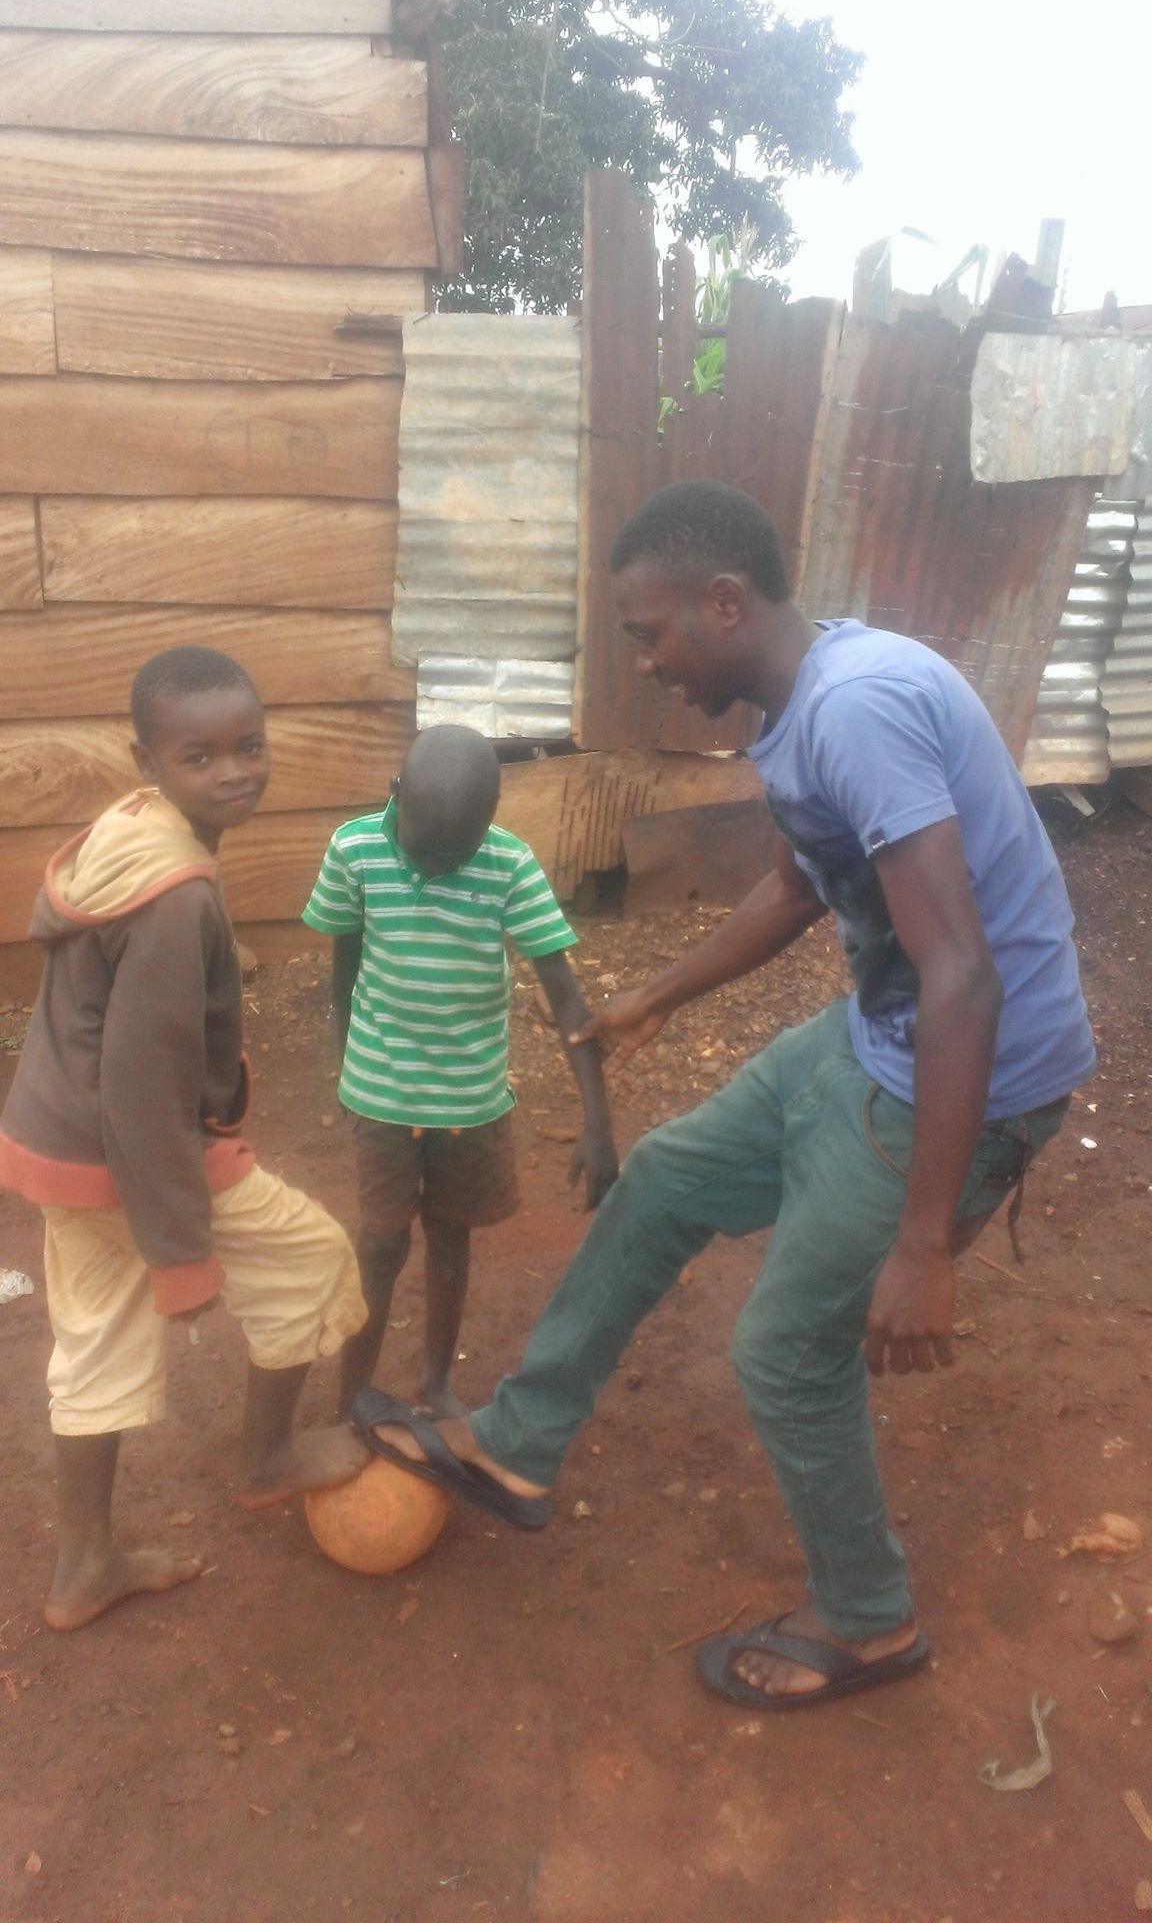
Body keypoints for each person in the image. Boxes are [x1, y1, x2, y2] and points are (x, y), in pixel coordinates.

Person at [357, 479, 1096, 1711]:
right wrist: (658, 995)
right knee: (663, 1178)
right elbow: (800, 887)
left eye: (650, 634)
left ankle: (870, 1619)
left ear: (724, 601)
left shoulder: (856, 709)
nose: (647, 664)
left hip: (970, 1076)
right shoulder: (802, 704)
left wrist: (924, 1243)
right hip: (878, 1037)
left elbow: (965, 977)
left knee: (787, 1350)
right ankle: (518, 1444)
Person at [0, 647, 369, 1632]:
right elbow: (142, 1087)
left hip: (56, 1136)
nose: (234, 772)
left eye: (250, 746)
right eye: (199, 757)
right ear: (147, 761)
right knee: (310, 1259)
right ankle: (268, 1457)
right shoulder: (175, 896)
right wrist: (179, 1253)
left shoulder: (129, 829)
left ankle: (84, 1566)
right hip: (129, 1151)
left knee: (95, 1341)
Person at [302, 724, 618, 1421]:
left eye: (457, 853)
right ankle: (353, 1398)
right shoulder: (354, 851)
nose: (438, 866)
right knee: (380, 1245)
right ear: (396, 794)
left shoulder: (510, 867)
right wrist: (345, 1057)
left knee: (451, 1238)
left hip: (470, 1099)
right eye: (423, 849)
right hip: (381, 1087)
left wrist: (598, 1122)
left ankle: (434, 1384)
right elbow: (344, 968)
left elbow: (566, 996)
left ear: (491, 819)